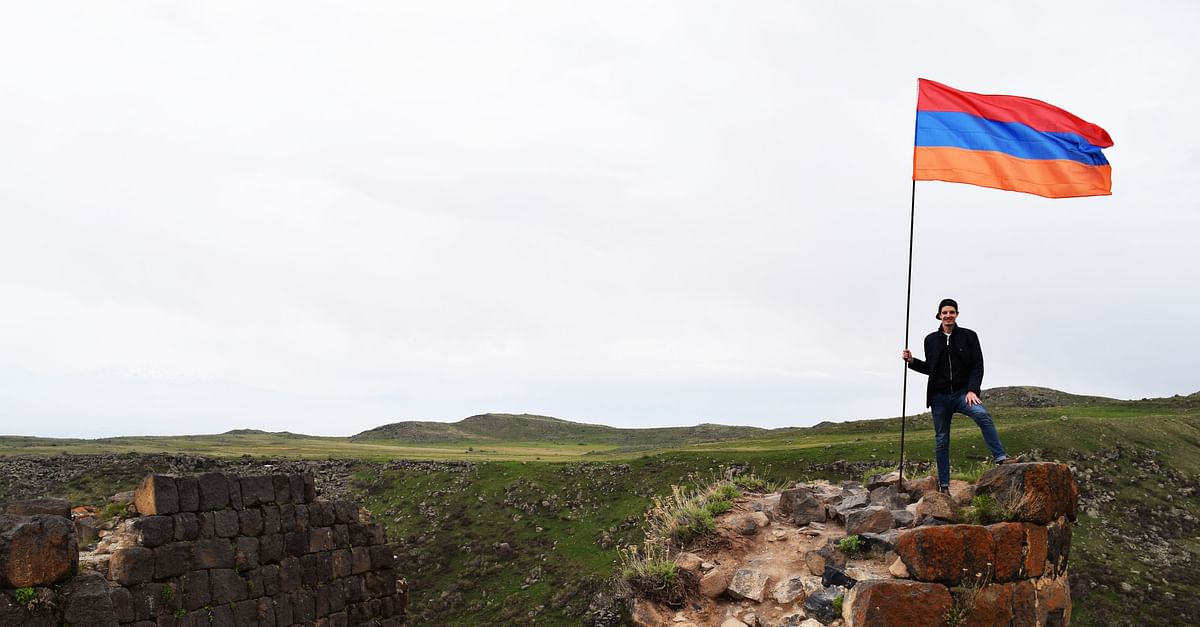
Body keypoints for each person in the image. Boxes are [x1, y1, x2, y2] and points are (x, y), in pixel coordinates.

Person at [902, 298, 1021, 494]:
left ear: (957, 314)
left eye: (952, 312)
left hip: (962, 394)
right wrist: (912, 361)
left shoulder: (969, 336)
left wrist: (972, 389)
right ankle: (945, 486)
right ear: (939, 315)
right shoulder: (930, 339)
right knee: (942, 439)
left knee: (982, 415)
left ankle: (1001, 458)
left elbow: (977, 366)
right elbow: (931, 368)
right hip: (939, 396)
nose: (948, 315)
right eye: (944, 313)